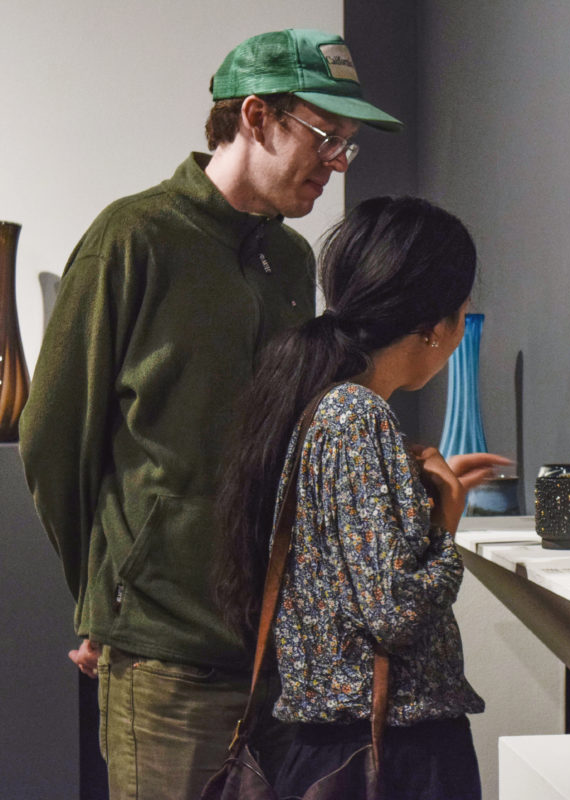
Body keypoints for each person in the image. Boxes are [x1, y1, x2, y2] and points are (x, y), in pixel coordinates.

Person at [19, 29, 402, 800]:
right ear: (256, 117)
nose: (337, 164)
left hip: (277, 653)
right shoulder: (134, 239)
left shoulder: (292, 262)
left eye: (348, 148)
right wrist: (105, 596)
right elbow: (53, 439)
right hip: (167, 662)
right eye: (327, 138)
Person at [215, 196, 504, 800]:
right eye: (461, 310)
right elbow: (393, 610)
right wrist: (445, 526)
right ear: (432, 324)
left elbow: (358, 580)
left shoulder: (331, 404)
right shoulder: (356, 415)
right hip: (387, 750)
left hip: (351, 744)